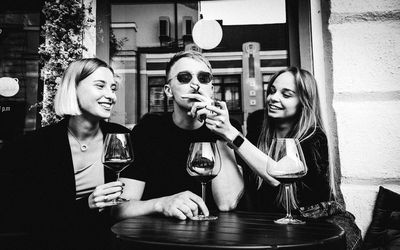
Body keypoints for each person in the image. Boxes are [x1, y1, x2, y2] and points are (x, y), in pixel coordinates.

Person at [198, 67, 362, 249]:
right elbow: (229, 197)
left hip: (325, 228)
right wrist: (218, 131)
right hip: (273, 229)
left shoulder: (314, 137)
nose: (273, 98)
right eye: (272, 91)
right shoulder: (258, 128)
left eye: (287, 94)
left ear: (303, 101)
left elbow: (278, 175)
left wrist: (231, 132)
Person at [0, 58, 131, 249]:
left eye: (113, 88)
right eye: (100, 86)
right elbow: (25, 215)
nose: (111, 96)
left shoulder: (120, 136)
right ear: (73, 88)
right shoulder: (33, 146)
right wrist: (88, 203)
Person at [113, 50, 244, 220]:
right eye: (184, 77)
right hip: (157, 236)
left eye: (203, 78)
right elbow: (121, 208)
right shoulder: (148, 130)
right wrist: (161, 204)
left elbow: (227, 203)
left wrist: (219, 129)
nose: (196, 84)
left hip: (214, 237)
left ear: (211, 90)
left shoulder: (227, 127)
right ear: (168, 90)